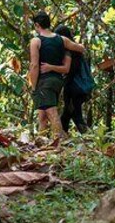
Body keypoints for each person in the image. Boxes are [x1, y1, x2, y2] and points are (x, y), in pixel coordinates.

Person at [28, 11, 85, 139]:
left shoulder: (36, 41)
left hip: (44, 82)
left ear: (37, 25)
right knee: (42, 115)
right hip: (58, 81)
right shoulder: (62, 39)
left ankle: (60, 142)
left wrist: (33, 86)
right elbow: (80, 48)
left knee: (52, 113)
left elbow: (34, 66)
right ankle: (40, 141)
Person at [52, 25, 90, 134]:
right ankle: (63, 137)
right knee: (68, 114)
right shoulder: (77, 49)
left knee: (74, 114)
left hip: (74, 88)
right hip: (80, 87)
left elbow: (70, 71)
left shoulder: (70, 51)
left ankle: (89, 138)